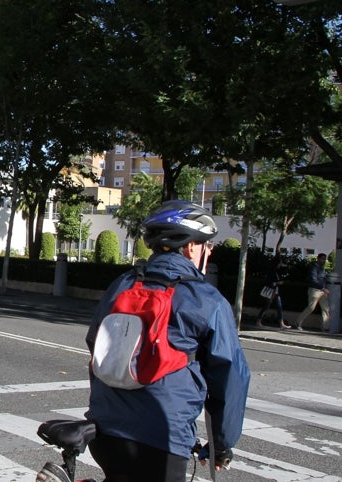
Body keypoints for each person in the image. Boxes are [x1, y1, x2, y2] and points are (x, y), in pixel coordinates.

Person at [85, 200, 250, 481]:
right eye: (206, 245)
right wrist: (222, 444)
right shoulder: (206, 299)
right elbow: (231, 376)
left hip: (104, 432)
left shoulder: (122, 283)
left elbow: (95, 342)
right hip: (161, 437)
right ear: (190, 247)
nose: (208, 251)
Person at [295, 253, 331, 331]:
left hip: (322, 290)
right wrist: (322, 288)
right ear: (318, 258)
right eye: (322, 259)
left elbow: (322, 279)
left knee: (325, 309)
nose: (324, 260)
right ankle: (298, 322)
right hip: (315, 290)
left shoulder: (321, 268)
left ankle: (325, 327)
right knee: (311, 308)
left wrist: (323, 288)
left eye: (325, 259)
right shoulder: (314, 267)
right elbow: (313, 280)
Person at [256, 254, 291, 328]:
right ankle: (258, 321)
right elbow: (269, 282)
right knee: (267, 306)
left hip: (275, 291)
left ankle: (281, 323)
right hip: (271, 291)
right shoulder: (272, 271)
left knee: (279, 307)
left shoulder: (276, 271)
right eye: (280, 263)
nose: (281, 264)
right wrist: (278, 283)